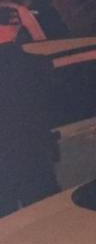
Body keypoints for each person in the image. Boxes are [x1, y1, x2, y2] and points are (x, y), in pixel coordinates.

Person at [0, 43, 59, 217]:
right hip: (33, 155)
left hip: (19, 158)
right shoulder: (36, 65)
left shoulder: (30, 66)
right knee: (44, 213)